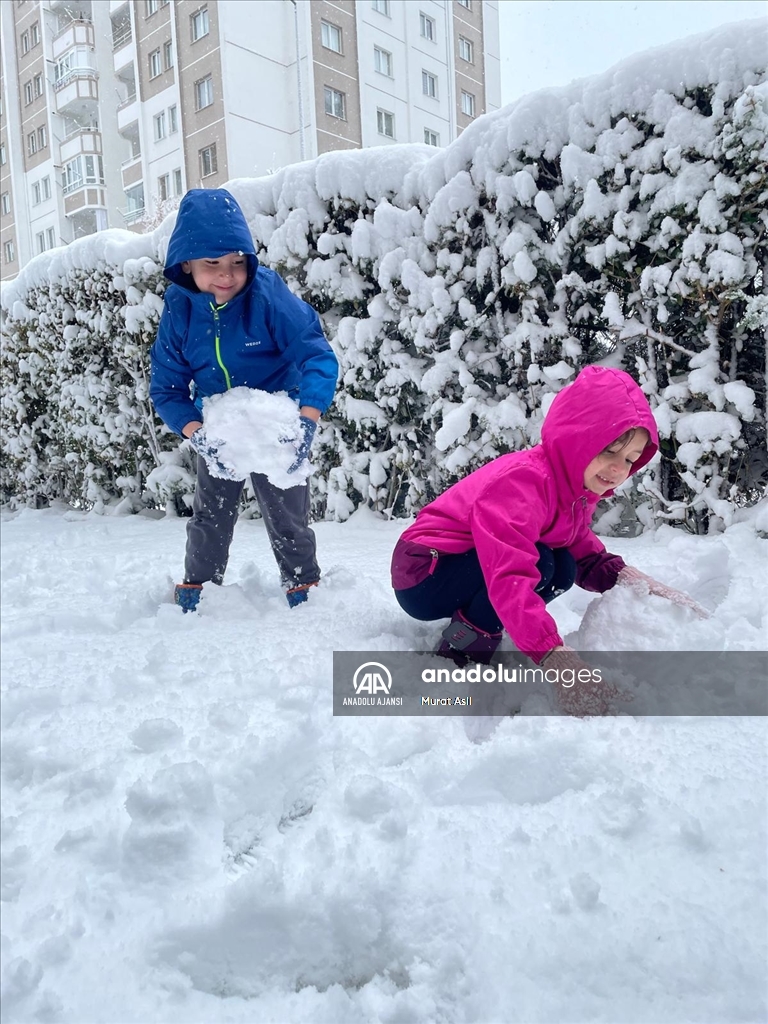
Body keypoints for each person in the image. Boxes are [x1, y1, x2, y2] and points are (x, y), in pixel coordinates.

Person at [391, 365, 708, 714]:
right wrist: (556, 658)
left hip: (461, 565)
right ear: (578, 441)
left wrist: (635, 584)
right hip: (424, 570)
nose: (619, 469)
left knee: (563, 567)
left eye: (631, 459)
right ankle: (462, 648)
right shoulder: (524, 482)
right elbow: (509, 574)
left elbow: (581, 550)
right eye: (608, 452)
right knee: (541, 563)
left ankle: (479, 623)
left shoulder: (572, 491)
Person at [150, 188, 338, 612]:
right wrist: (198, 434)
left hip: (275, 420)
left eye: (237, 262)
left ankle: (303, 585)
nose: (226, 274)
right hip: (221, 427)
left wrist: (305, 419)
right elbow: (167, 388)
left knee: (287, 513)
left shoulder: (266, 294)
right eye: (211, 263)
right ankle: (198, 587)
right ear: (186, 265)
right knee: (210, 514)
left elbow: (315, 352)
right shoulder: (179, 310)